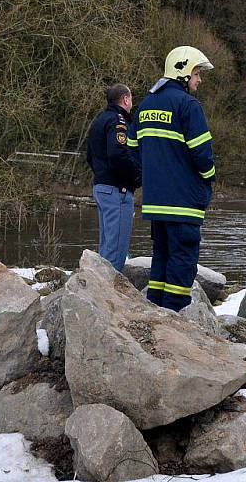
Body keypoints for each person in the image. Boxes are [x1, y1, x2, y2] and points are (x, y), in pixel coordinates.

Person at [128, 46, 215, 311]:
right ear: (184, 72)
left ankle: (154, 312)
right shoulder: (188, 106)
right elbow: (203, 156)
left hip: (155, 201)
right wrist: (208, 180)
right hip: (184, 201)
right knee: (182, 261)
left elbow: (132, 148)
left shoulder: (145, 105)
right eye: (197, 74)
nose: (199, 80)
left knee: (162, 259)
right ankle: (174, 319)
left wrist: (155, 172)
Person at [86, 83, 141, 272]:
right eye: (131, 99)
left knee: (107, 245)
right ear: (125, 99)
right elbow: (118, 154)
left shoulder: (99, 120)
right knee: (116, 249)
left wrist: (102, 174)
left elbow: (89, 155)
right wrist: (137, 177)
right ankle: (107, 294)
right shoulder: (118, 122)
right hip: (118, 189)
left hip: (101, 187)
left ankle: (99, 289)